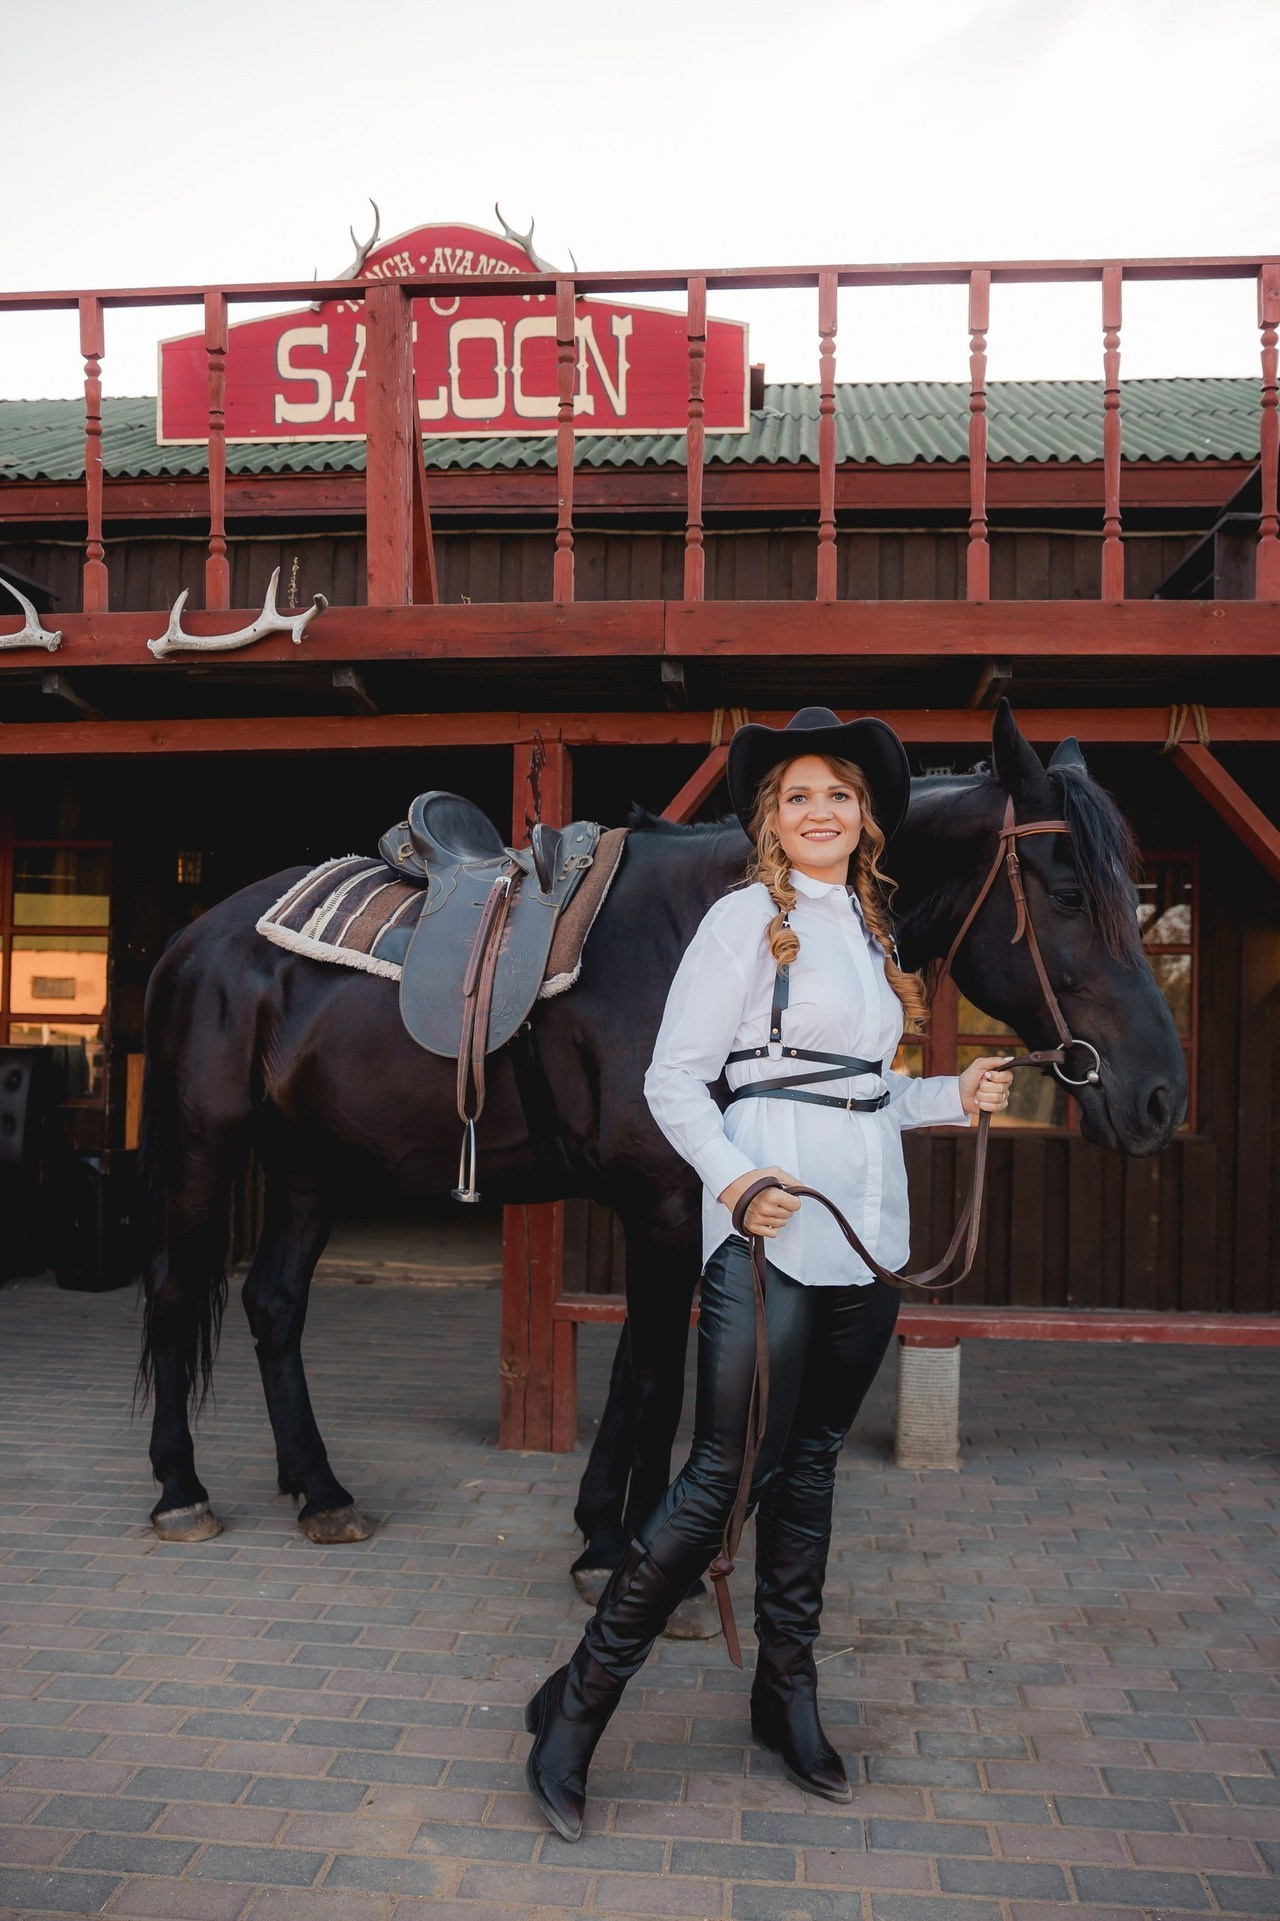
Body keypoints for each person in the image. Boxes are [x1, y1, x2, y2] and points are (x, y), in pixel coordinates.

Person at [524, 707, 1013, 1840]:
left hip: (864, 1237)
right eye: (795, 795)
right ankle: (573, 1710)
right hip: (765, 1236)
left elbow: (861, 1094)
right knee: (715, 1483)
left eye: (836, 793)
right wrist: (736, 1183)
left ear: (864, 816)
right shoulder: (744, 919)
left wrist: (951, 1096)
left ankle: (781, 1697)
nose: (818, 812)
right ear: (769, 817)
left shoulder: (874, 932)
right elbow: (673, 1083)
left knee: (808, 1470)